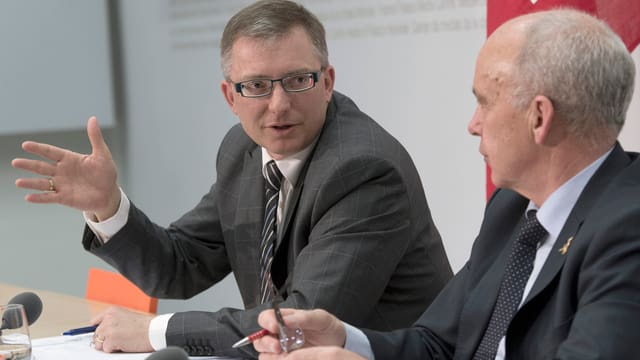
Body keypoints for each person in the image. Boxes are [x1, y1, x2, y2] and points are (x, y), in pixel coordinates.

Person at [11, 0, 453, 358]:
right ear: (230, 96)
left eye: (297, 80)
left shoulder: (365, 169)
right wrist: (107, 206)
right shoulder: (242, 151)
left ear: (327, 81)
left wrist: (157, 331)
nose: (278, 105)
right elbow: (180, 266)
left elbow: (301, 322)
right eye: (257, 86)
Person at [253, 8, 640, 360]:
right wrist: (344, 341)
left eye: (485, 102)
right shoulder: (512, 208)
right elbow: (438, 344)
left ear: (539, 117)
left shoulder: (629, 227)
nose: (473, 125)